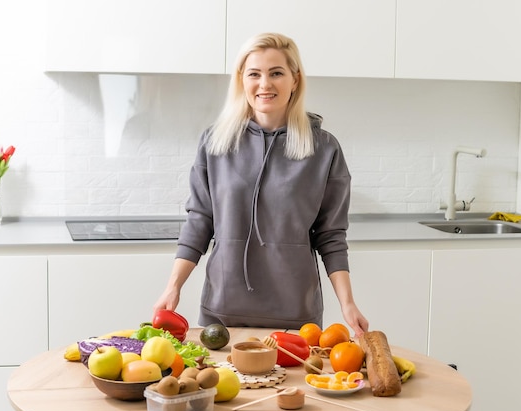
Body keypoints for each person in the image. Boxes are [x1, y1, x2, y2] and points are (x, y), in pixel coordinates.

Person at [153, 32, 369, 337]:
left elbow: (331, 236)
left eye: (276, 73)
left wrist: (348, 304)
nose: (265, 84)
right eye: (254, 73)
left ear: (295, 80)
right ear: (242, 79)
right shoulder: (215, 143)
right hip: (222, 311)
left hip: (296, 315)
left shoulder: (324, 148)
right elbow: (200, 221)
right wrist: (172, 288)